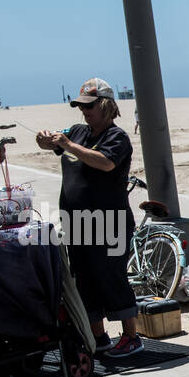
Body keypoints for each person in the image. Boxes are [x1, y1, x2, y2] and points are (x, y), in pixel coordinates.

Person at [36, 77, 143, 357]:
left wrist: (69, 145)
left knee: (112, 277)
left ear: (105, 106)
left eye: (89, 106)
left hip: (109, 221)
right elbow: (55, 145)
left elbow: (105, 163)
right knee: (84, 279)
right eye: (81, 107)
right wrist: (46, 141)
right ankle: (98, 337)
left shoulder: (116, 137)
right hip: (77, 222)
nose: (84, 111)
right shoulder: (78, 132)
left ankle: (131, 336)